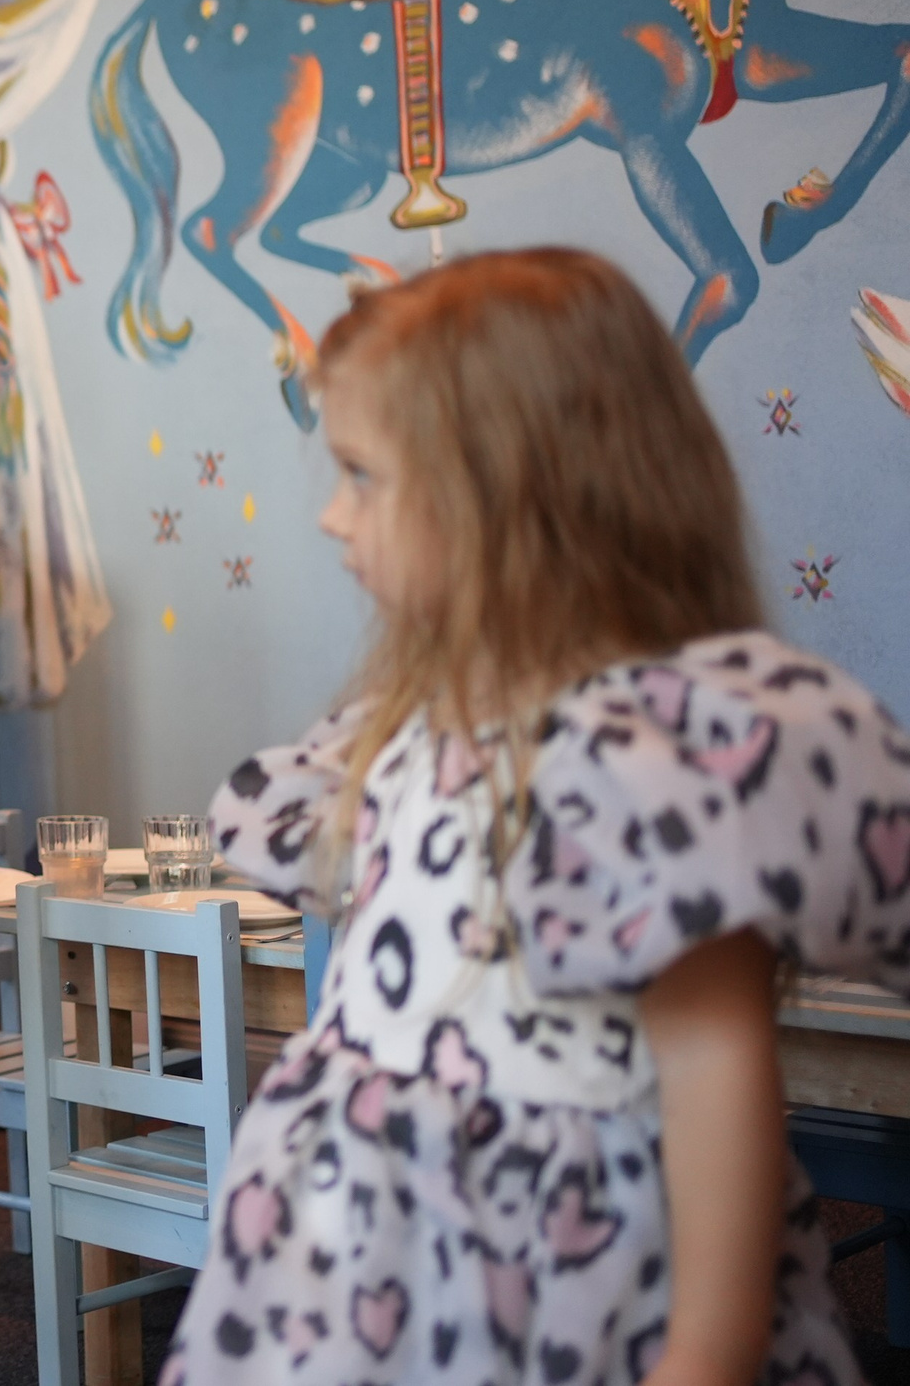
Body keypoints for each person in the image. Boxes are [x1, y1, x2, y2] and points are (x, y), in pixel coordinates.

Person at [159, 248, 910, 1385]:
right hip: (363, 1273)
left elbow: (718, 1087)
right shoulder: (409, 724)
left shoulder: (651, 768)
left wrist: (701, 1362)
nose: (328, 515)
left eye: (361, 476)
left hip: (551, 1280)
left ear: (506, 496)